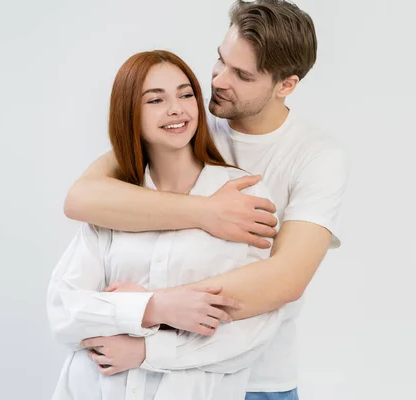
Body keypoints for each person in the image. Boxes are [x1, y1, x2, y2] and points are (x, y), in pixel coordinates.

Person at [63, 1, 348, 399]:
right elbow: (82, 198)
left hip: (255, 374)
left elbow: (285, 279)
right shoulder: (187, 122)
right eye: (220, 60)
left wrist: (151, 307)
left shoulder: (316, 155)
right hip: (156, 379)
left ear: (286, 85)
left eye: (242, 75)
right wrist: (206, 212)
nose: (217, 80)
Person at [47, 50, 286, 400]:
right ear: (129, 112)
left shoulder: (243, 192)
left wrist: (147, 350)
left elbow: (253, 328)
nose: (177, 108)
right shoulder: (116, 202)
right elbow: (64, 311)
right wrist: (154, 308)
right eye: (156, 99)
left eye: (186, 94)